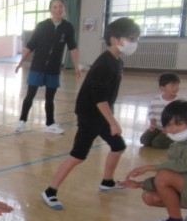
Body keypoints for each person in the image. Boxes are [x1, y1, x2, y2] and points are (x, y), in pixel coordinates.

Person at [41, 17, 141, 210]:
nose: (133, 43)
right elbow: (99, 98)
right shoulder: (105, 64)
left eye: (135, 39)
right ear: (114, 39)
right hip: (90, 115)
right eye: (130, 39)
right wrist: (113, 122)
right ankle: (50, 191)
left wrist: (109, 119)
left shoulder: (116, 61)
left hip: (101, 115)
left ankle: (107, 181)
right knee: (78, 155)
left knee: (118, 146)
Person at [121, 99, 187, 221]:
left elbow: (186, 164)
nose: (173, 129)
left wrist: (150, 167)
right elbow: (173, 174)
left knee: (164, 175)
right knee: (149, 197)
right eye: (169, 125)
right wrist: (140, 184)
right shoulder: (175, 146)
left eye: (179, 124)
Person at [15, 0, 80, 134]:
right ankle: (22, 121)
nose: (57, 10)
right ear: (50, 9)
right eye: (54, 7)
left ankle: (50, 124)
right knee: (30, 95)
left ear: (64, 9)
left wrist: (76, 67)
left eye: (60, 7)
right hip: (37, 67)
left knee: (50, 98)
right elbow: (31, 45)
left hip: (53, 68)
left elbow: (72, 47)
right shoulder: (42, 25)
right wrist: (21, 62)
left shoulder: (67, 27)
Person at [139, 72, 181, 149]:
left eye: (177, 85)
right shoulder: (155, 100)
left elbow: (181, 120)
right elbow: (152, 115)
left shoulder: (179, 102)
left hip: (172, 129)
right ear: (162, 88)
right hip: (158, 128)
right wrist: (152, 125)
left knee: (157, 143)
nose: (176, 88)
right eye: (172, 85)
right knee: (144, 140)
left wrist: (170, 128)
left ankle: (177, 139)